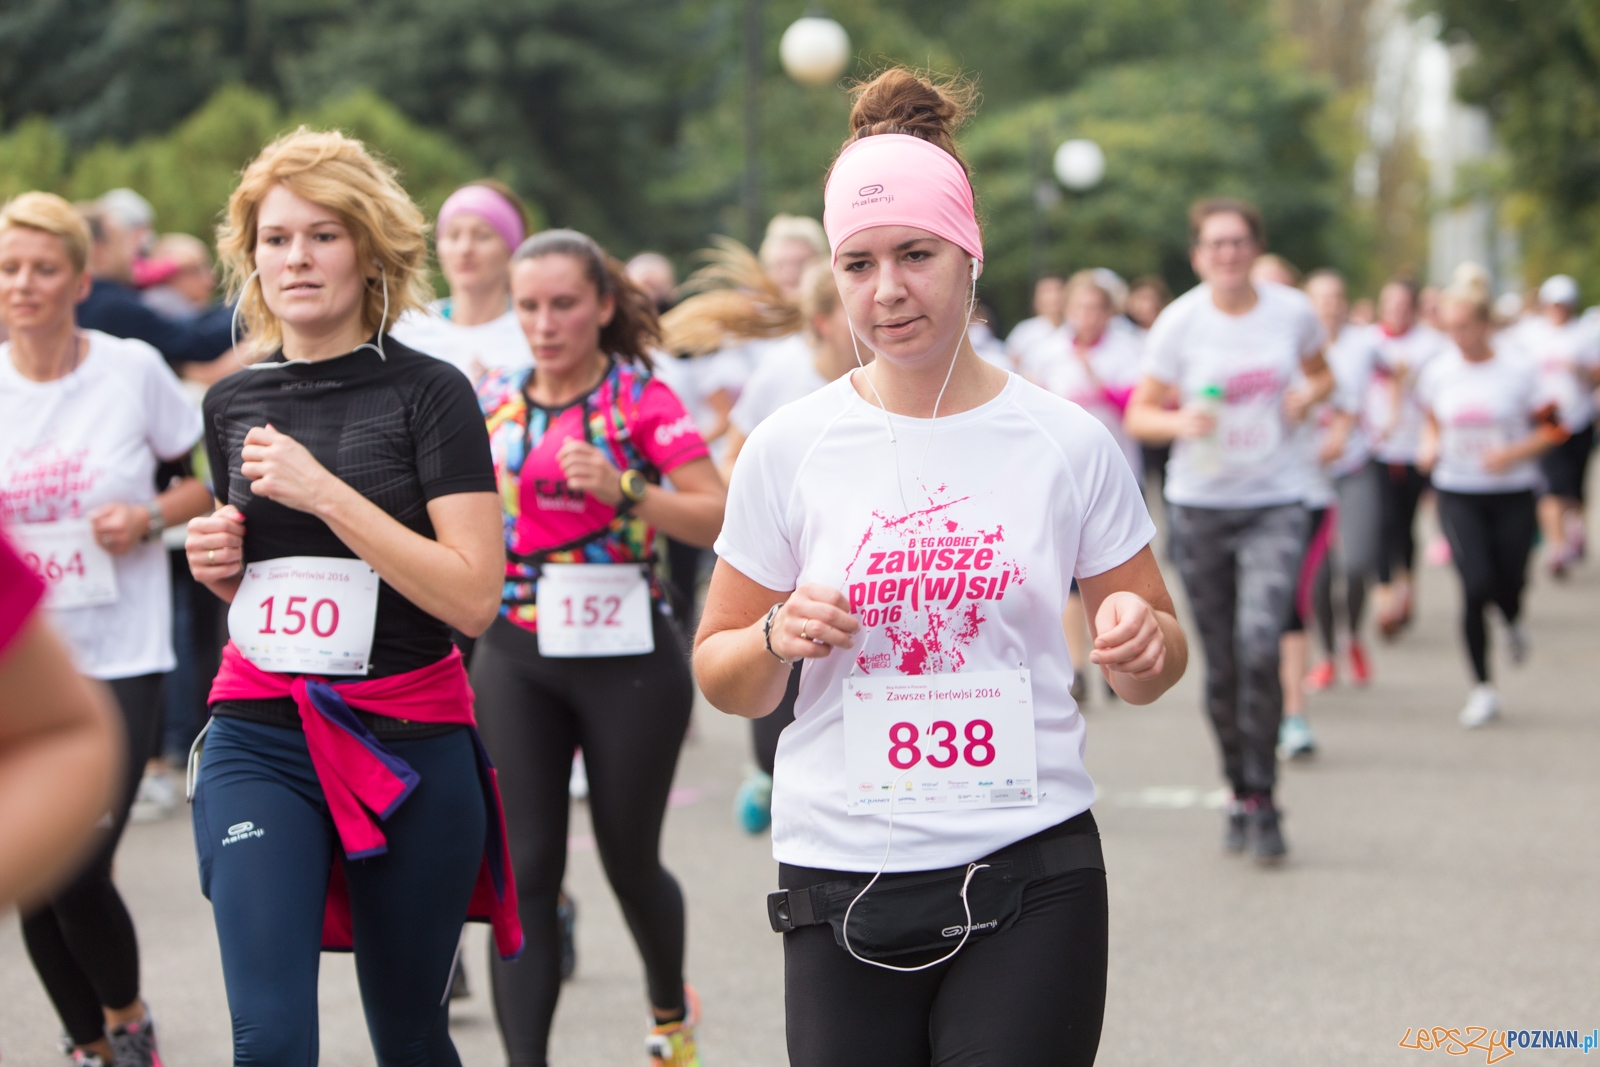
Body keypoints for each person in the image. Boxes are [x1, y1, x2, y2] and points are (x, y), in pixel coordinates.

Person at [695, 67, 1186, 1066]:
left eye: (914, 254)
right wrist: (772, 635)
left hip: (1030, 859)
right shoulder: (788, 447)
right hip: (840, 866)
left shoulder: (1063, 440)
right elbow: (721, 672)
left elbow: (1154, 661)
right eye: (858, 262)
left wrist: (1141, 640)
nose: (888, 290)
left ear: (969, 252)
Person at [183, 128, 520, 1065]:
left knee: (411, 1035)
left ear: (369, 251)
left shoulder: (431, 393)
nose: (297, 257)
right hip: (262, 729)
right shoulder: (232, 403)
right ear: (251, 256)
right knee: (271, 1034)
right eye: (277, 237)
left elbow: (473, 596)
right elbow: (262, 580)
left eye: (323, 235)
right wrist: (220, 563)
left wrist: (325, 490)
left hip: (410, 733)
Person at [470, 228, 725, 1067]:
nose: (545, 323)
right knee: (529, 870)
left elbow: (715, 513)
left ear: (603, 305)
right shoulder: (492, 401)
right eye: (529, 306)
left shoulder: (639, 401)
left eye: (564, 304)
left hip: (629, 659)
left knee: (627, 857)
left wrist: (624, 486)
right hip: (518, 654)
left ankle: (668, 1008)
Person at [1, 191, 215, 1067]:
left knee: (78, 864)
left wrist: (147, 516)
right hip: (23, 664)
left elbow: (205, 482)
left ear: (82, 279)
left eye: (43, 268)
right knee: (36, 885)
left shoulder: (130, 369)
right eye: (9, 269)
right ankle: (90, 1046)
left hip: (124, 654)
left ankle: (129, 1022)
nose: (23, 284)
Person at [1126, 197, 1333, 863]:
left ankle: (1267, 793)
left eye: (1239, 241)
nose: (1228, 254)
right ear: (1198, 256)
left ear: (1254, 247)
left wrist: (1311, 394)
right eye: (1215, 244)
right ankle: (1238, 787)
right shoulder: (1181, 323)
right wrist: (1179, 422)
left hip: (1276, 498)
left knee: (1260, 642)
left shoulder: (1291, 312)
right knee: (1220, 662)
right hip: (1202, 506)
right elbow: (1140, 413)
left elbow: (1321, 371)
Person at [721, 262, 862, 834]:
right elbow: (734, 456)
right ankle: (772, 774)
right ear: (825, 322)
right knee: (775, 710)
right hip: (785, 571)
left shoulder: (900, 376)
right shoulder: (782, 376)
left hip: (862, 571)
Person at [1417, 282, 1562, 727]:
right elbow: (1432, 420)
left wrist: (1511, 455)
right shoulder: (1439, 370)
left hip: (1513, 492)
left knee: (1509, 580)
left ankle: (1513, 619)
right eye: (1450, 328)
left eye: (1466, 327)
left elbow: (1554, 429)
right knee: (1475, 585)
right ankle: (1482, 688)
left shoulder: (1519, 370)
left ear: (1484, 325)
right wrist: (1430, 445)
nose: (1458, 336)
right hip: (1458, 491)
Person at [1026, 270, 1146, 705]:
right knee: (1070, 583)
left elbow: (1137, 406)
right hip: (1060, 477)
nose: (1088, 317)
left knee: (1113, 578)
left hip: (1118, 473)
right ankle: (1076, 667)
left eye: (1097, 309)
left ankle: (1118, 659)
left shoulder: (1127, 350)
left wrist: (1099, 383)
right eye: (1080, 308)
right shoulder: (1047, 351)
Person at [0, 531, 121, 913]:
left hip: (119, 654)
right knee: (44, 907)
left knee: (80, 881)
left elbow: (58, 736)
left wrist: (144, 519)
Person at [1302, 269, 1383, 691]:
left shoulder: (1364, 344)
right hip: (1307, 476)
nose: (1331, 305)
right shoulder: (1291, 348)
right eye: (1322, 298)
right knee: (1318, 573)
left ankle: (1353, 634)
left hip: (1354, 466)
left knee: (1356, 564)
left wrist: (1394, 417)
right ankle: (1327, 654)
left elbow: (1400, 373)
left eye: (1337, 297)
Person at [1367, 278, 1450, 638]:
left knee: (1405, 525)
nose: (1397, 312)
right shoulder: (1368, 342)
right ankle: (1385, 597)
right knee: (1382, 523)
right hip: (1376, 450)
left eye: (1404, 306)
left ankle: (1406, 585)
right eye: (1391, 305)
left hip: (1416, 448)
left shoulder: (1432, 345)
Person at [391, 179, 536, 385]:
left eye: (483, 236)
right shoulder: (407, 329)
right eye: (453, 235)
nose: (465, 249)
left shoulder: (535, 332)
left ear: (511, 249)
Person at [74, 199, 236, 378]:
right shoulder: (110, 306)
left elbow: (187, 325)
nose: (135, 254)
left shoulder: (92, 300)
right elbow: (194, 342)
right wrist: (250, 308)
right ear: (98, 251)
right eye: (123, 243)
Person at [1514, 274, 1600, 577]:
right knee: (1551, 485)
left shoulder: (1584, 335)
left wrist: (1579, 370)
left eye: (1563, 304)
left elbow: (1597, 374)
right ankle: (1557, 546)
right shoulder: (1530, 335)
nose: (1558, 310)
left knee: (1573, 486)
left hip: (1578, 418)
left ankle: (1574, 527)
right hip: (1547, 421)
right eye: (1553, 304)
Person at [140, 233, 219, 320]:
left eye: (207, 267)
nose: (210, 278)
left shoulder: (195, 308)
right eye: (195, 271)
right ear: (170, 276)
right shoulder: (160, 307)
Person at [1003, 274, 1065, 370]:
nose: (1054, 297)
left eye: (1058, 290)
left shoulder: (1075, 329)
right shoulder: (1025, 330)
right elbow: (1010, 359)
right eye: (1047, 291)